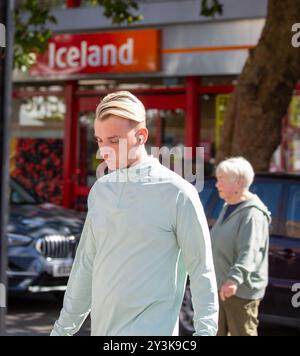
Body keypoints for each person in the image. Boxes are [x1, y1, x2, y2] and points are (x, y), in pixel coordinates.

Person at [51, 91, 218, 336]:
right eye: (99, 140)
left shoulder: (178, 193)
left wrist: (205, 333)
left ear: (141, 136)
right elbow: (85, 265)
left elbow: (202, 271)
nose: (104, 151)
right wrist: (61, 331)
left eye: (114, 140)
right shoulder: (100, 191)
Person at [210, 157, 271, 336]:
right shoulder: (228, 206)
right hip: (221, 286)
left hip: (239, 292)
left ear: (238, 182)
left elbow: (249, 252)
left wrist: (233, 280)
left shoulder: (253, 214)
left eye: (221, 179)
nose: (216, 184)